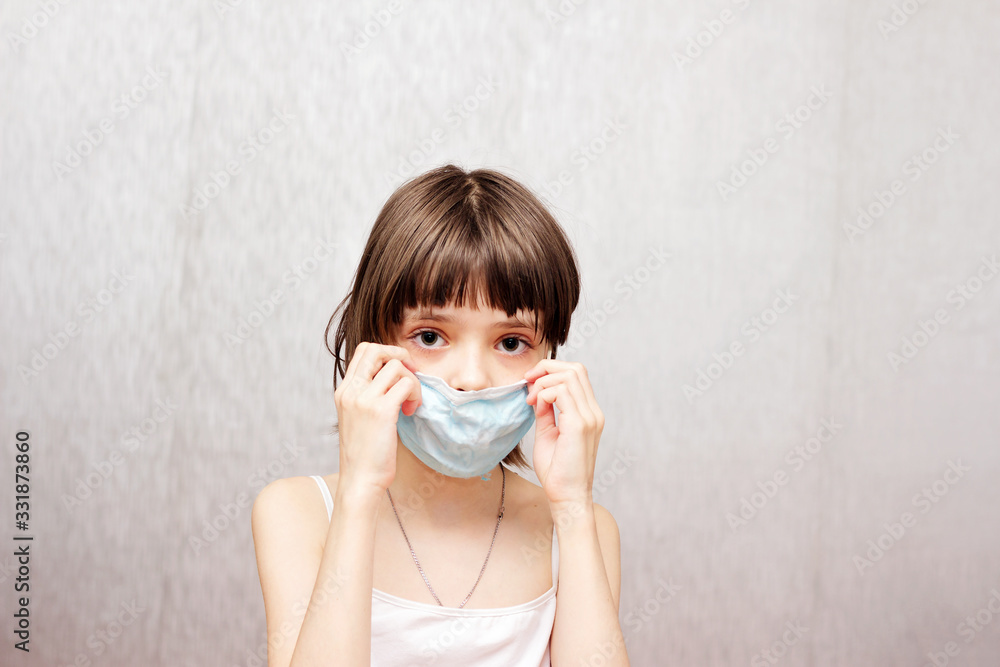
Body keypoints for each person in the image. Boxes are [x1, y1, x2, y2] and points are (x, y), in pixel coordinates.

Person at [252, 163, 629, 666]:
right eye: (430, 336)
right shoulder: (299, 513)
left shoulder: (581, 529)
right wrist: (360, 491)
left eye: (511, 342)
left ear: (550, 362)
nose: (471, 377)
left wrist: (574, 507)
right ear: (376, 339)